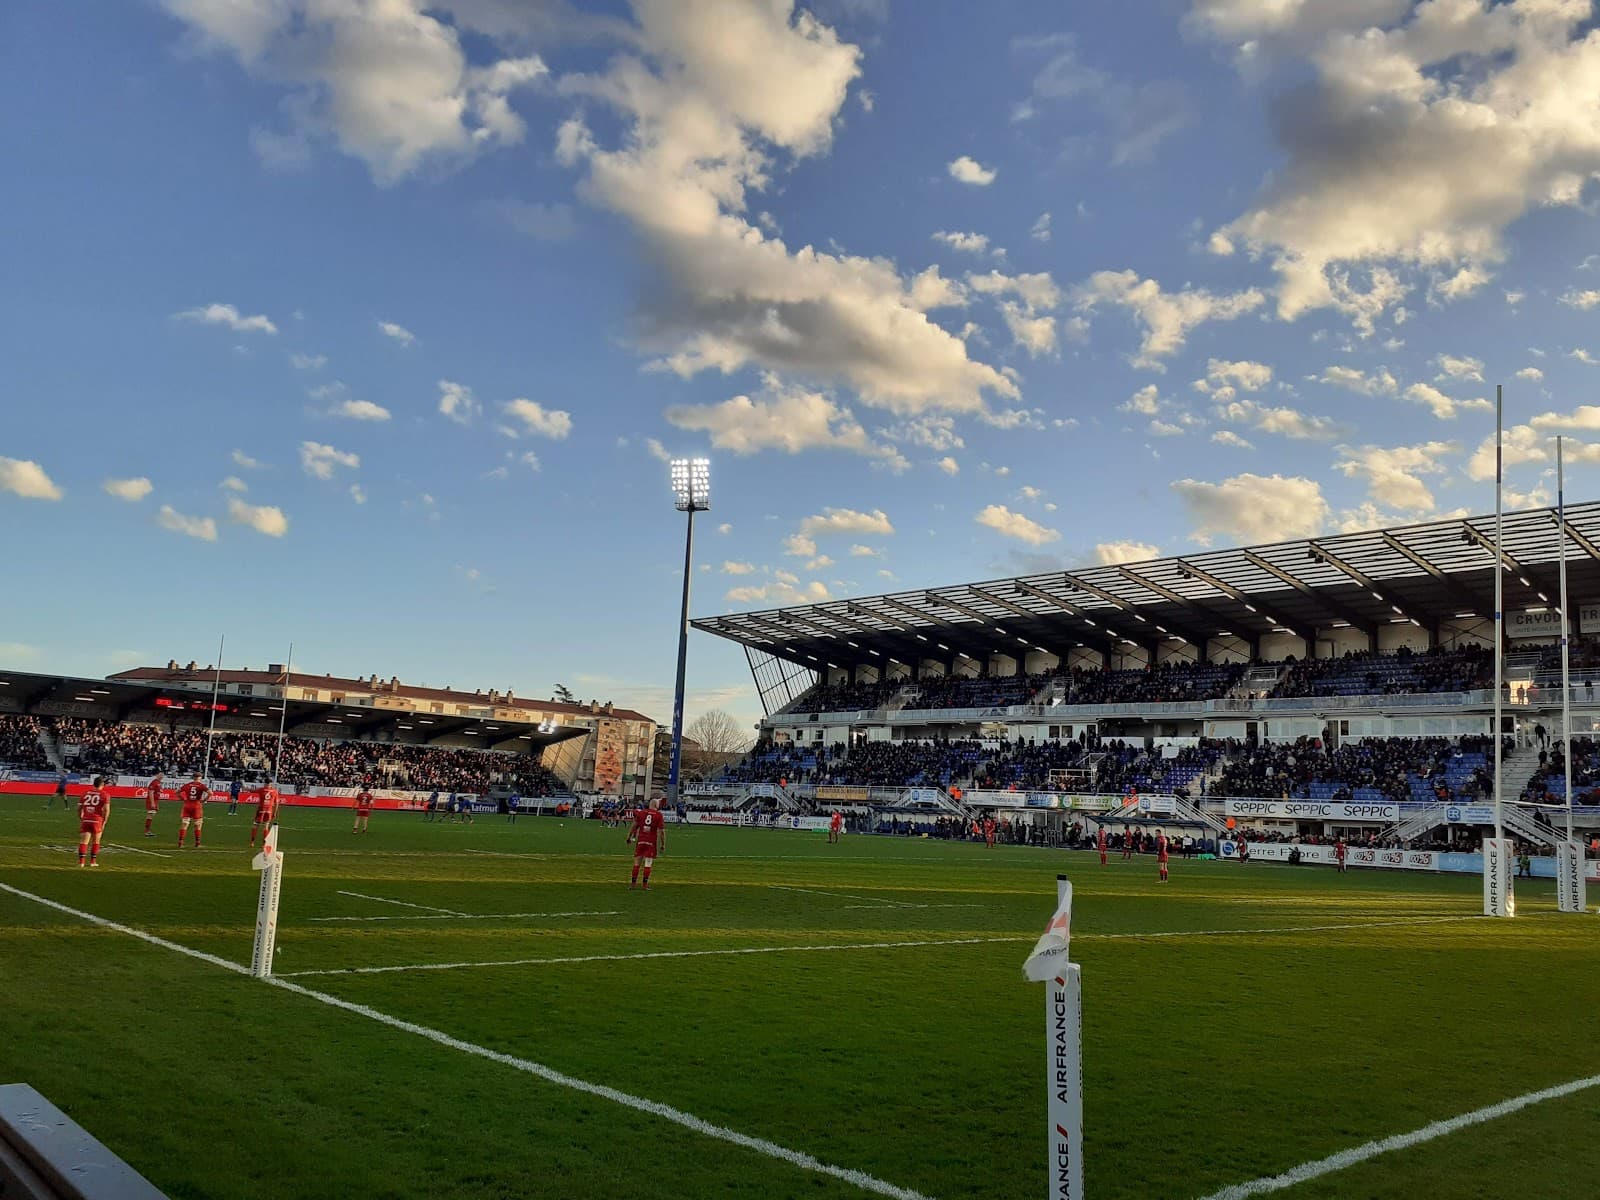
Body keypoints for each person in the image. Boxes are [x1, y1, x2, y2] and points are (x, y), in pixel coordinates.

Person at [627, 798, 666, 890]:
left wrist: (628, 837)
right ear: (656, 805)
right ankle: (644, 885)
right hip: (651, 842)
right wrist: (663, 844)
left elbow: (634, 825)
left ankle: (633, 884)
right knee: (648, 863)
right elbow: (662, 831)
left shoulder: (641, 813)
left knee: (637, 863)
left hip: (640, 841)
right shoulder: (658, 815)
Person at [77, 775, 111, 867]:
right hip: (97, 820)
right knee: (96, 841)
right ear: (102, 784)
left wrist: (81, 816)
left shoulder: (84, 793)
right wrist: (105, 821)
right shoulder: (105, 794)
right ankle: (92, 862)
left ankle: (81, 862)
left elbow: (79, 808)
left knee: (84, 841)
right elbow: (107, 810)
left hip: (86, 819)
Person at [176, 772, 209, 849]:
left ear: (193, 777)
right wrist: (204, 800)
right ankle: (197, 843)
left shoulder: (187, 785)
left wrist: (182, 798)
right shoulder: (201, 785)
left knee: (185, 824)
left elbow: (177, 792)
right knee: (198, 824)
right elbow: (211, 793)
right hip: (196, 806)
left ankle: (180, 842)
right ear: (200, 778)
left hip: (187, 805)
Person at [250, 780, 280, 846]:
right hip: (269, 810)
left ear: (265, 783)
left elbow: (252, 791)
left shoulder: (261, 790)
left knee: (255, 825)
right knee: (266, 826)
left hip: (261, 809)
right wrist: (275, 812)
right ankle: (264, 843)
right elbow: (277, 803)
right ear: (270, 784)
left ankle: (252, 842)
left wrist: (245, 788)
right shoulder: (275, 791)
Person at [144, 772, 163, 838]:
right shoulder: (154, 782)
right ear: (156, 775)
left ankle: (147, 831)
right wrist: (152, 802)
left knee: (151, 815)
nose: (162, 776)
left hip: (155, 801)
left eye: (162, 775)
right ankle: (147, 831)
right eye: (160, 775)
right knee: (150, 815)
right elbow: (151, 792)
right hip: (152, 800)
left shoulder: (158, 783)